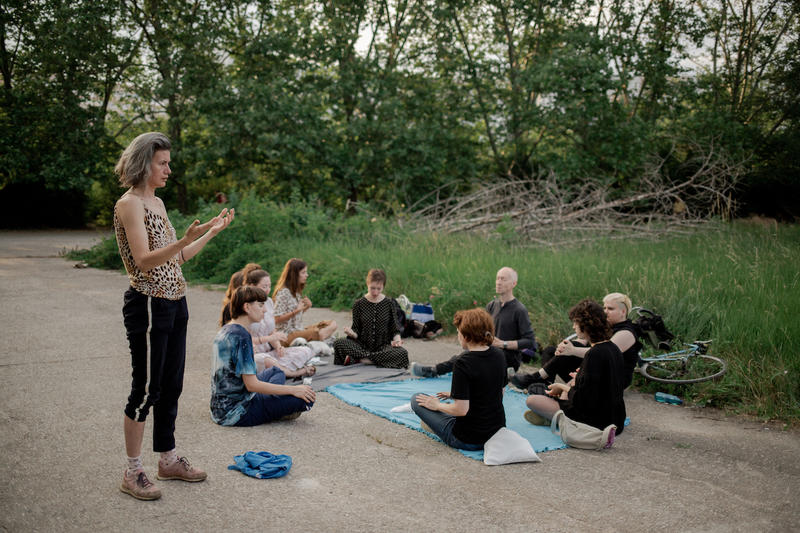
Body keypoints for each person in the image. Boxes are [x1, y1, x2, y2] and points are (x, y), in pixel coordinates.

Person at [113, 132, 234, 501]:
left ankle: (167, 460)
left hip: (176, 302)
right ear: (143, 163)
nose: (168, 169)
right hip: (148, 304)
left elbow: (176, 258)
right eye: (162, 163)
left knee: (171, 386)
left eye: (168, 163)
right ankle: (133, 471)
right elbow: (144, 260)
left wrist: (209, 233)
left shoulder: (158, 202)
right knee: (146, 390)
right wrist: (182, 239)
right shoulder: (129, 204)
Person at [524, 299, 626, 447]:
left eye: (575, 323)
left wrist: (562, 387)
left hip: (597, 422)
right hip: (617, 418)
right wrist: (578, 380)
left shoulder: (594, 354)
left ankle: (558, 420)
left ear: (585, 326)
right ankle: (553, 418)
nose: (573, 327)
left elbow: (583, 400)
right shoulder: (613, 348)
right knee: (567, 388)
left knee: (532, 401)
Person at [210, 286, 315, 427]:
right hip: (237, 412)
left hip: (220, 407)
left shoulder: (227, 328)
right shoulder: (242, 336)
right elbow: (252, 385)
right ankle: (274, 403)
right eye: (260, 305)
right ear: (247, 307)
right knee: (307, 398)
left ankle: (272, 400)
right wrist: (293, 390)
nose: (264, 310)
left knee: (276, 371)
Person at [410, 266, 537, 377]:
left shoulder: (519, 310)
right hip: (488, 350)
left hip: (507, 358)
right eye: (497, 278)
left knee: (470, 360)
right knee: (465, 356)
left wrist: (503, 344)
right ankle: (434, 370)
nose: (498, 282)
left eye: (503, 279)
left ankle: (506, 375)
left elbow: (530, 341)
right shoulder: (492, 305)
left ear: (514, 283)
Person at [410, 308, 506, 450]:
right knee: (449, 404)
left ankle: (436, 425)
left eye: (458, 332)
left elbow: (461, 410)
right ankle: (435, 422)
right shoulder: (499, 354)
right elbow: (498, 392)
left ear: (466, 336)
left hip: (468, 439)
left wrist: (436, 405)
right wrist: (459, 394)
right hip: (496, 433)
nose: (458, 336)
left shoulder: (463, 362)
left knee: (416, 399)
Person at [512, 292, 642, 390]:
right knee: (550, 351)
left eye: (610, 309)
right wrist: (565, 347)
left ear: (623, 311)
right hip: (597, 369)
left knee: (571, 349)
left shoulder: (626, 333)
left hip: (613, 378)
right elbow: (586, 341)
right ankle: (545, 384)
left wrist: (572, 350)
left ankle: (537, 378)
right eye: (604, 308)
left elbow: (603, 354)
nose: (605, 312)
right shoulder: (607, 325)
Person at [243, 268, 316, 375]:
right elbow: (243, 340)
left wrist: (278, 347)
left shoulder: (269, 302)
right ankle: (291, 372)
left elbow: (271, 331)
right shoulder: (246, 306)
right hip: (254, 355)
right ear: (251, 286)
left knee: (306, 351)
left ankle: (279, 370)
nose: (268, 290)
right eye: (264, 286)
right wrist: (271, 338)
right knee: (265, 360)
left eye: (269, 286)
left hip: (269, 352)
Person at [332, 269, 409, 368]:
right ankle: (376, 359)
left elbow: (395, 330)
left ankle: (362, 360)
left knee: (402, 353)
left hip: (383, 347)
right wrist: (352, 333)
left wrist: (397, 341)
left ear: (383, 287)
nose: (375, 292)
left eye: (379, 288)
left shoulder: (389, 303)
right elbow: (356, 330)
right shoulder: (359, 304)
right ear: (367, 284)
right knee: (338, 343)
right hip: (361, 346)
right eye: (372, 288)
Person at [273, 258, 337, 345]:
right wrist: (297, 310)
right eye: (303, 272)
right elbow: (276, 319)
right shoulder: (283, 292)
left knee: (332, 324)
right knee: (316, 332)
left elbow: (295, 317)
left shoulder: (295, 292)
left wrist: (306, 307)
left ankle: (319, 338)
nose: (306, 275)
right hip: (286, 334)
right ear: (294, 275)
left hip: (299, 330)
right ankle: (320, 339)